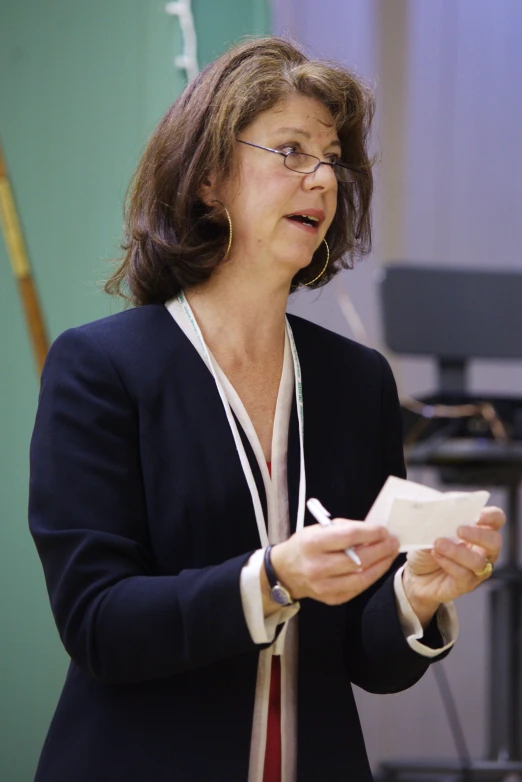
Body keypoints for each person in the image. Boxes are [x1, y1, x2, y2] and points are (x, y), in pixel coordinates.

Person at [29, 37, 504, 782]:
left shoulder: (359, 381)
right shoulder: (101, 367)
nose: (322, 178)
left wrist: (415, 597)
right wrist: (273, 578)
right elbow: (99, 625)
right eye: (290, 151)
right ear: (209, 178)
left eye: (333, 157)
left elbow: (365, 660)